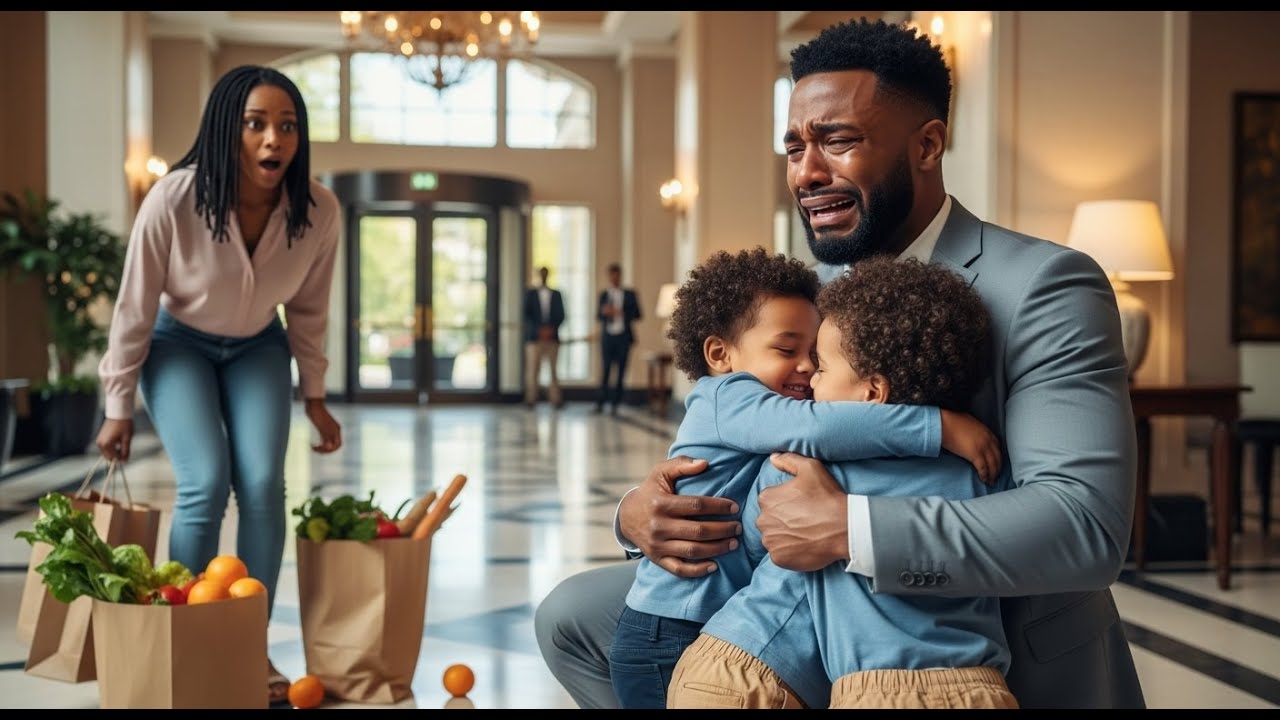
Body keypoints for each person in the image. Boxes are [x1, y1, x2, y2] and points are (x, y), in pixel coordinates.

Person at [535, 18, 1143, 710]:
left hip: (967, 636)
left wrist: (849, 530)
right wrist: (640, 515)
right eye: (794, 146)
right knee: (574, 617)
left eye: (838, 140)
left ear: (929, 144)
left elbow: (1084, 526)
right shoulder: (811, 303)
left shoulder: (1045, 284)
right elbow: (754, 437)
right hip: (792, 604)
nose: (806, 173)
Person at [611, 248, 1001, 709]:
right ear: (720, 353)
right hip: (669, 624)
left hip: (705, 612)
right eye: (786, 349)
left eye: (816, 357)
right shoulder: (728, 395)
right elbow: (818, 426)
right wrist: (938, 427)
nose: (806, 369)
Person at [95, 65, 343, 703]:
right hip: (177, 344)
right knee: (205, 482)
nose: (273, 140)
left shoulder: (318, 211)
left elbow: (310, 310)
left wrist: (314, 396)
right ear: (226, 131)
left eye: (287, 126)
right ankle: (187, 637)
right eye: (256, 124)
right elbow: (135, 304)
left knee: (263, 484)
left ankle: (245, 647)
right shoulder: (175, 197)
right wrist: (117, 404)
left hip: (259, 344)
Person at [594, 262, 642, 415]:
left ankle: (615, 404)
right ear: (609, 276)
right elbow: (598, 316)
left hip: (623, 338)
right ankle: (601, 402)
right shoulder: (604, 295)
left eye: (617, 274)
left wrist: (621, 312)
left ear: (620, 276)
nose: (614, 277)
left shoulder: (630, 294)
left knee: (621, 371)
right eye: (612, 275)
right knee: (606, 370)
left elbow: (638, 314)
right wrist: (605, 313)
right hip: (608, 338)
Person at [523, 266, 566, 408]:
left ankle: (555, 399)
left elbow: (561, 315)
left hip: (552, 337)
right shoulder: (531, 293)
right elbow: (526, 315)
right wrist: (539, 330)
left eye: (545, 274)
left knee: (553, 370)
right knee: (533, 369)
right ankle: (531, 399)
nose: (543, 276)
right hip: (535, 338)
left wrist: (551, 329)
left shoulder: (557, 294)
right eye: (541, 274)